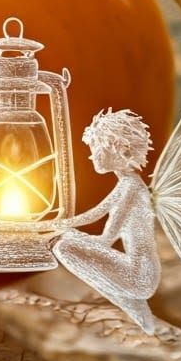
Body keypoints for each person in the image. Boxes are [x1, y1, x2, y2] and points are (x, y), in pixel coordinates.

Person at [52, 109, 161, 333]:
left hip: (140, 274)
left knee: (64, 247)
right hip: (139, 273)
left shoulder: (131, 186)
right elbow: (96, 213)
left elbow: (107, 237)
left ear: (119, 149)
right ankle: (138, 313)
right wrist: (52, 225)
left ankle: (135, 309)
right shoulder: (127, 184)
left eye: (96, 149)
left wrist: (67, 233)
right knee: (66, 240)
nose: (92, 156)